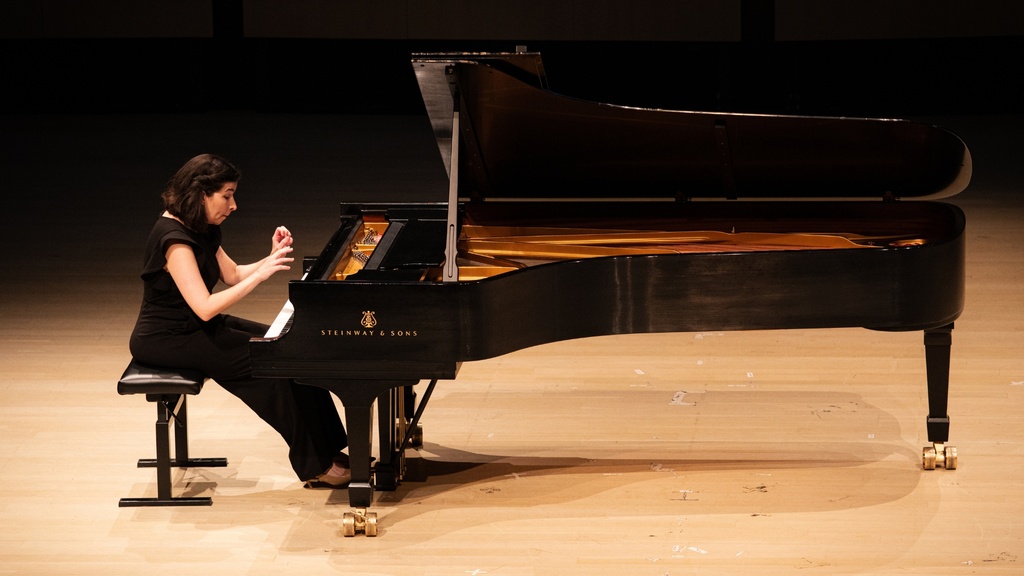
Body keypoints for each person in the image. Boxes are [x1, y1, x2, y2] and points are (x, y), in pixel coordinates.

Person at [128, 153, 350, 489]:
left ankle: (330, 450)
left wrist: (269, 258)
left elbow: (231, 274)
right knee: (270, 372)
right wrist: (260, 276)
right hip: (168, 338)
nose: (233, 206)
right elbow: (204, 306)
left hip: (195, 327)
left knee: (289, 350)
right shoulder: (174, 239)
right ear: (201, 193)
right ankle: (316, 465)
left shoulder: (200, 227)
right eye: (227, 195)